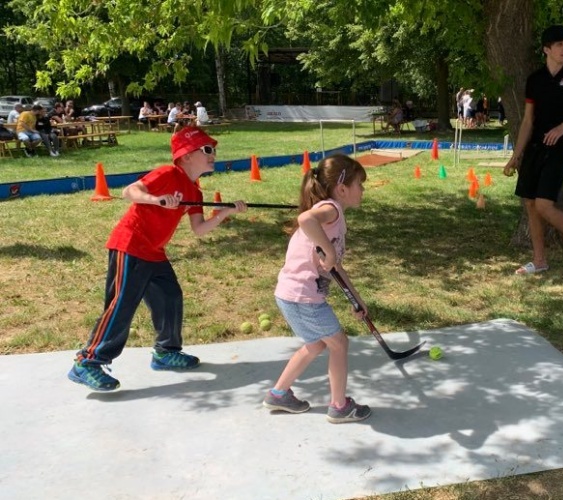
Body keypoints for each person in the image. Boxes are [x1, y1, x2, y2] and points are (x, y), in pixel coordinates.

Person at [67, 127, 247, 391]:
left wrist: (223, 213)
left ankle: (165, 353)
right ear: (186, 156)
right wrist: (156, 199)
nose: (213, 154)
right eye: (207, 150)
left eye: (213, 150)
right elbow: (130, 191)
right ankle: (88, 362)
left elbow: (198, 229)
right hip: (130, 245)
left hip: (154, 252)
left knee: (170, 297)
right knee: (122, 305)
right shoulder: (167, 173)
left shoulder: (194, 192)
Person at [265, 154, 372, 424]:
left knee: (314, 345)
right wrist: (327, 249)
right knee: (338, 343)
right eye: (360, 184)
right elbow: (305, 220)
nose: (363, 190)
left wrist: (356, 300)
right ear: (343, 188)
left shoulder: (334, 216)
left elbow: (334, 265)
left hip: (292, 295)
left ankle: (279, 394)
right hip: (303, 297)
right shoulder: (331, 209)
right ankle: (339, 406)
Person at [503, 24, 563, 274]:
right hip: (535, 147)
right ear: (547, 49)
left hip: (561, 147)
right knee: (530, 204)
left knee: (544, 204)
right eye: (560, 45)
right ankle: (540, 260)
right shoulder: (535, 80)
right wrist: (515, 156)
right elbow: (528, 121)